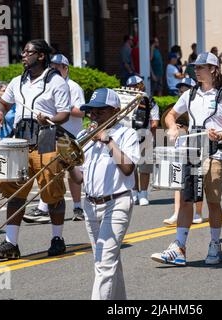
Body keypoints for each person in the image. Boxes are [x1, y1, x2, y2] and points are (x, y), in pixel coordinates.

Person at [151, 52, 222, 266]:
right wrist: (172, 127)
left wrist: (219, 134)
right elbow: (171, 115)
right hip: (190, 153)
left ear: (213, 69)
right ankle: (179, 247)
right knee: (185, 200)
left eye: (201, 67)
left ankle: (215, 244)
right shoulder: (189, 95)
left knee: (213, 202)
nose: (196, 70)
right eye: (195, 67)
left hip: (214, 153)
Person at [0, 39, 71, 260]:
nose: (23, 55)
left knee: (51, 191)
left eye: (27, 52)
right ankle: (11, 243)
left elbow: (64, 114)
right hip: (21, 140)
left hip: (46, 137)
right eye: (23, 52)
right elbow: (3, 103)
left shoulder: (56, 82)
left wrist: (50, 118)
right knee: (14, 192)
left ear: (41, 56)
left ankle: (57, 239)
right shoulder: (17, 81)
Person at [67, 88, 140, 300]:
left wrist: (107, 141)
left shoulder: (127, 134)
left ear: (115, 111)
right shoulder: (83, 136)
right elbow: (79, 179)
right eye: (91, 111)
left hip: (117, 203)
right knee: (107, 262)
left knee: (103, 263)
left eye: (99, 111)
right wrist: (68, 165)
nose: (94, 116)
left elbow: (128, 168)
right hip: (90, 205)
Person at [23, 54, 86, 224]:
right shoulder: (47, 84)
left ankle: (78, 206)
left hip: (67, 134)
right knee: (48, 171)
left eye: (59, 66)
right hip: (48, 132)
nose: (55, 69)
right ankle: (44, 208)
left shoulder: (73, 87)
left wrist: (62, 110)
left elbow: (81, 112)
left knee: (72, 172)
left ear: (66, 68)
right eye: (53, 66)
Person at [163, 77, 205, 225]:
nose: (182, 93)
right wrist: (174, 128)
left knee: (197, 179)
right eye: (180, 91)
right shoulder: (179, 106)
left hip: (197, 143)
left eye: (185, 90)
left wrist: (184, 128)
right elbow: (170, 119)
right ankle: (177, 212)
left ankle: (198, 212)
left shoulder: (198, 104)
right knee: (178, 181)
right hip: (181, 145)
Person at [125, 76, 160, 206]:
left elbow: (155, 122)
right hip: (128, 137)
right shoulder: (124, 101)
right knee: (130, 166)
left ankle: (143, 194)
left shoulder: (149, 101)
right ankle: (134, 193)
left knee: (144, 167)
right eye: (131, 86)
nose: (133, 88)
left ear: (141, 85)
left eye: (136, 85)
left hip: (145, 136)